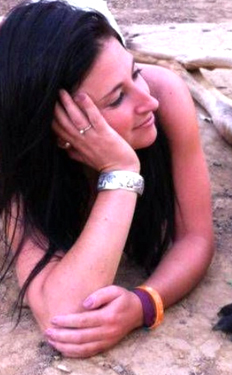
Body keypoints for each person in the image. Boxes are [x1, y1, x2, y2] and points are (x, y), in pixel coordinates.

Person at [0, 0, 214, 358]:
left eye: (135, 72)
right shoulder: (16, 154)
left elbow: (194, 237)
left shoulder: (163, 92)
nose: (149, 102)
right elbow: (63, 312)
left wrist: (145, 302)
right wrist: (122, 172)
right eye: (117, 99)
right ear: (59, 127)